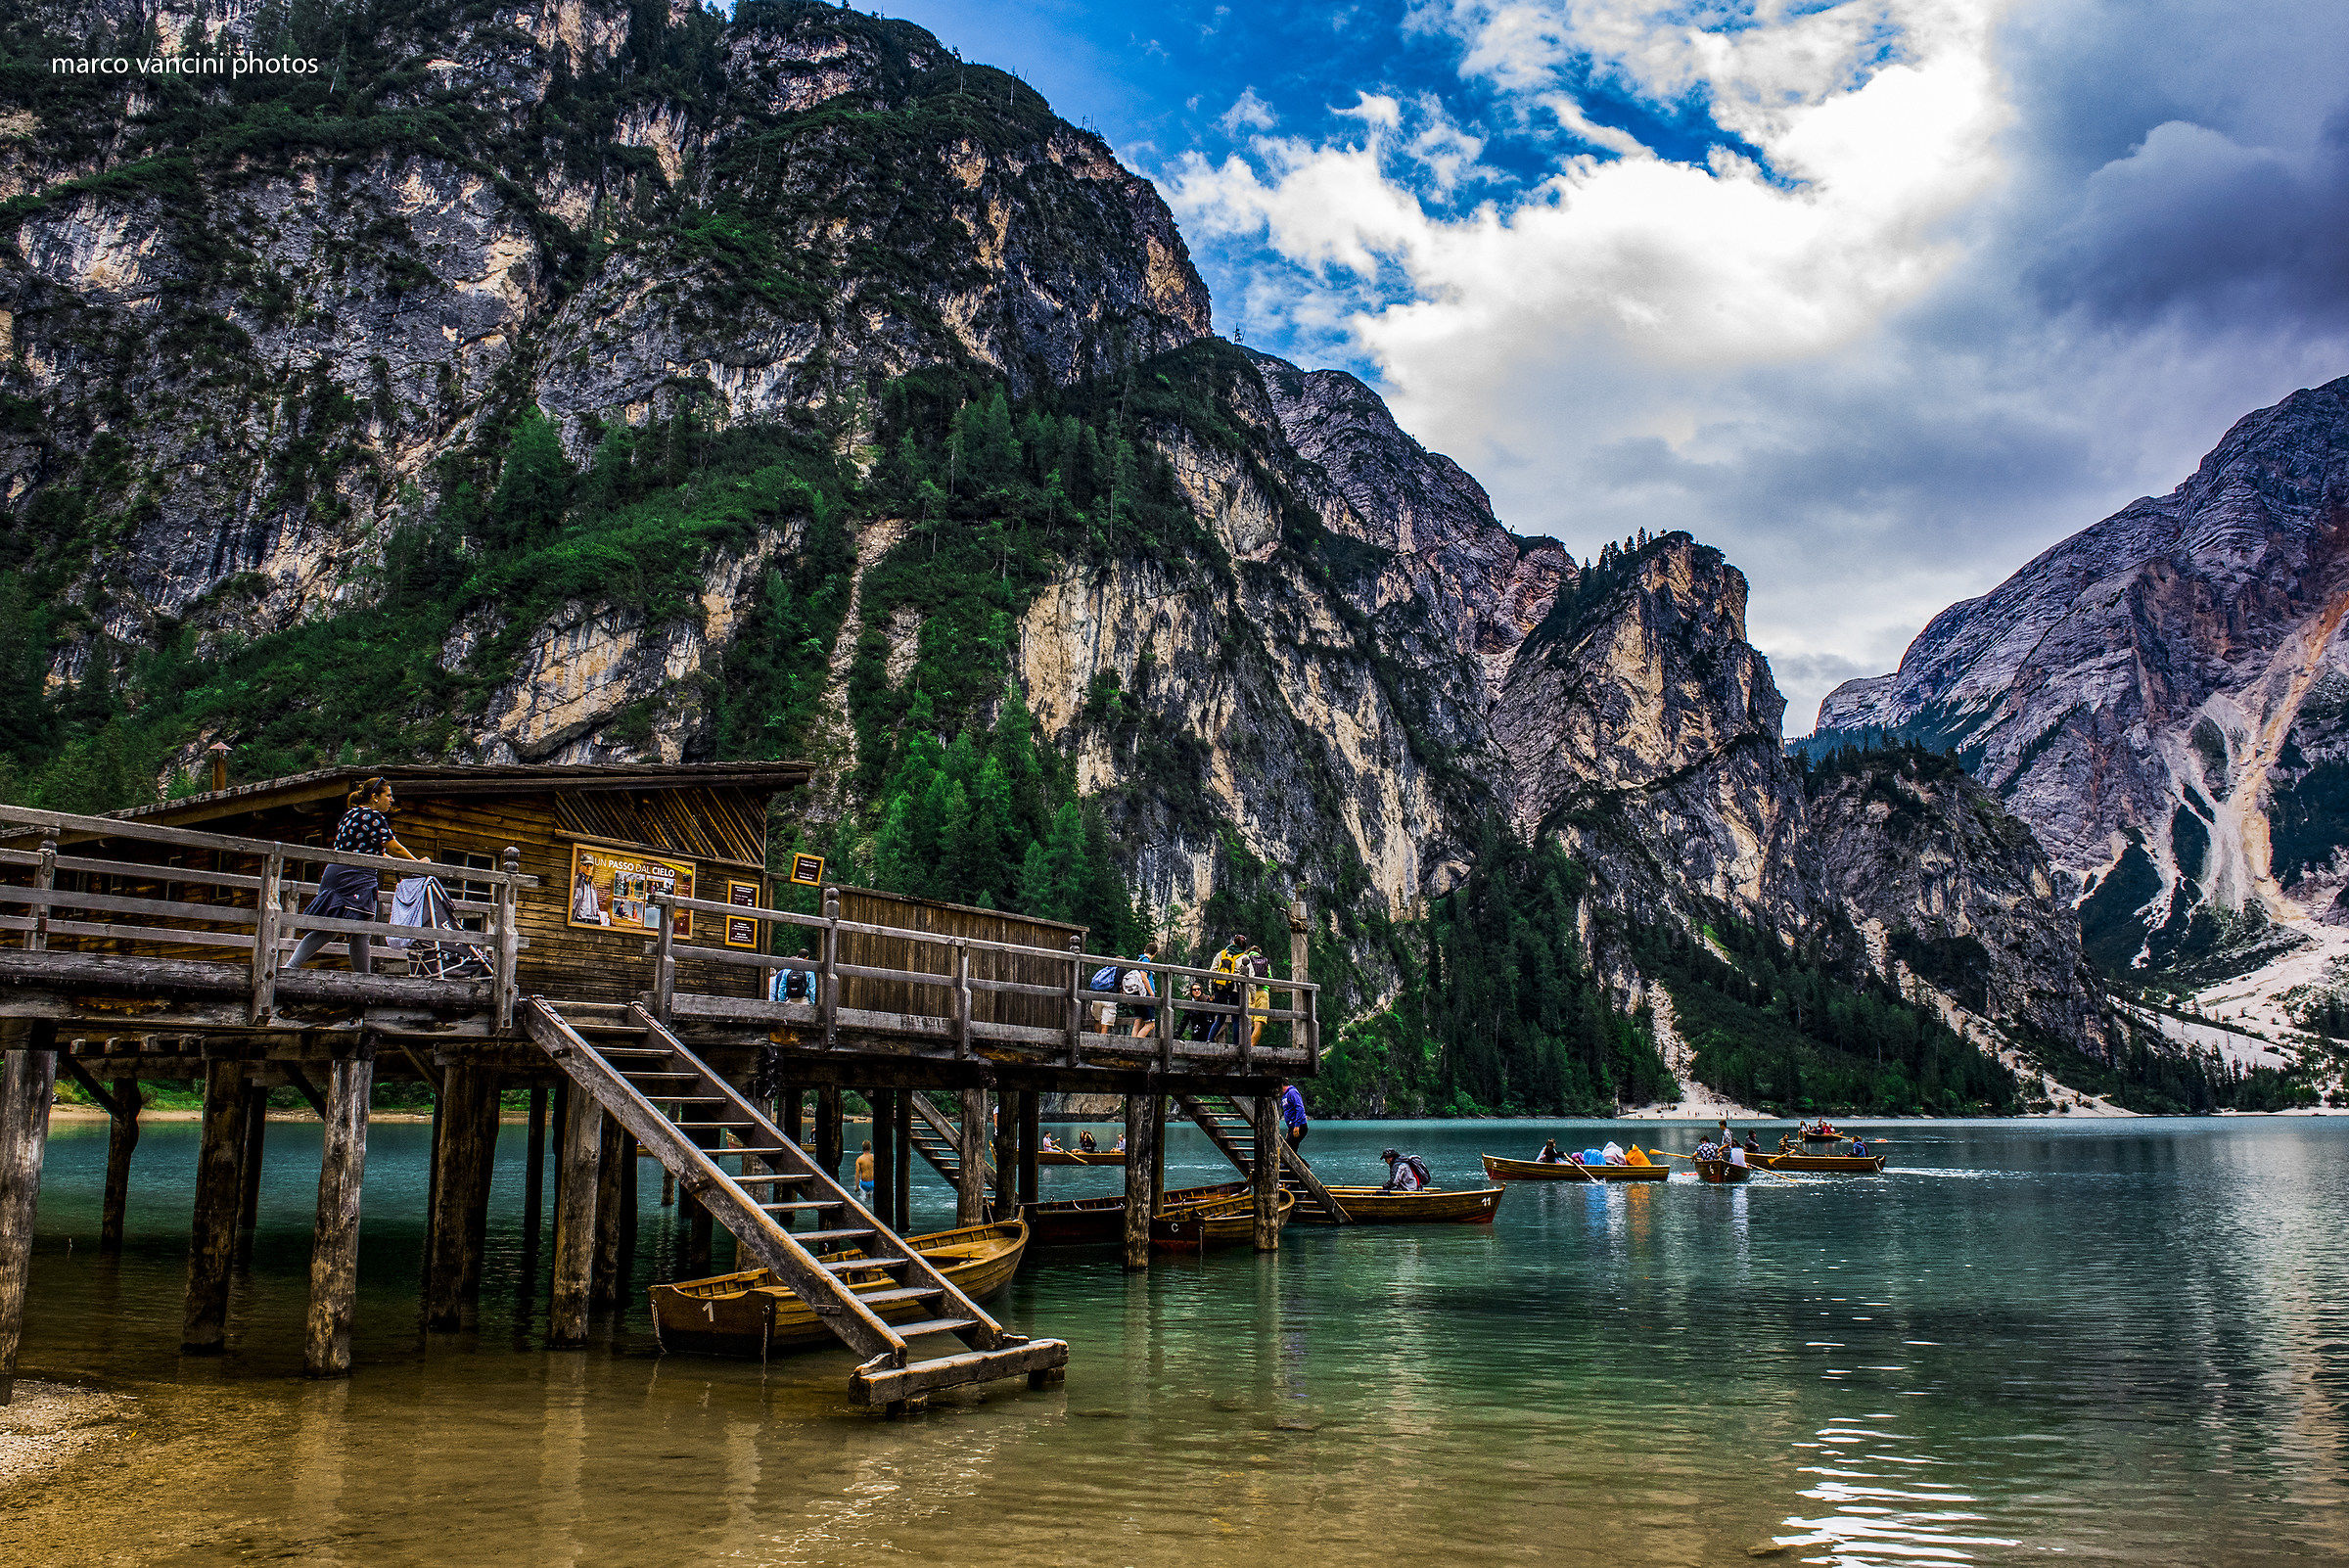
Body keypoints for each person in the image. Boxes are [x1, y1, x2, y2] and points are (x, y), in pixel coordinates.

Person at [288, 777, 420, 974]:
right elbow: (395, 848)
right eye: (388, 795)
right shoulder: (372, 816)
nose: (392, 800)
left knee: (328, 926)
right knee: (361, 931)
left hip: (334, 872)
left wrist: (396, 863)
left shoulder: (350, 814)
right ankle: (363, 978)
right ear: (375, 797)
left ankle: (291, 966)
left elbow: (371, 850)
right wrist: (418, 864)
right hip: (356, 875)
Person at [1122, 943, 1160, 1038]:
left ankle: (1132, 1046)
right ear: (1155, 953)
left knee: (1138, 1022)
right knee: (1151, 1024)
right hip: (1145, 995)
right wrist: (1151, 993)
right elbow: (1144, 977)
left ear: (1145, 950)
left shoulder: (1139, 960)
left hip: (1138, 994)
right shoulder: (1146, 961)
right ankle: (1137, 1045)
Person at [1245, 941, 1272, 1049]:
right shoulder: (1265, 962)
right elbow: (1269, 977)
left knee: (1247, 1020)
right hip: (1263, 992)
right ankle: (1251, 1047)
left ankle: (1244, 1046)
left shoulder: (1246, 960)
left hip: (1250, 993)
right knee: (1259, 1022)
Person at [1279, 1082, 1309, 1157]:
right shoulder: (1284, 1095)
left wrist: (1297, 1126)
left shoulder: (1292, 1092)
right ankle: (1304, 1166)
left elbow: (1300, 1108)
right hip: (1293, 1127)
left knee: (1288, 1149)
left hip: (1300, 1126)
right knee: (1291, 1149)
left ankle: (1302, 1166)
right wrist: (1290, 1130)